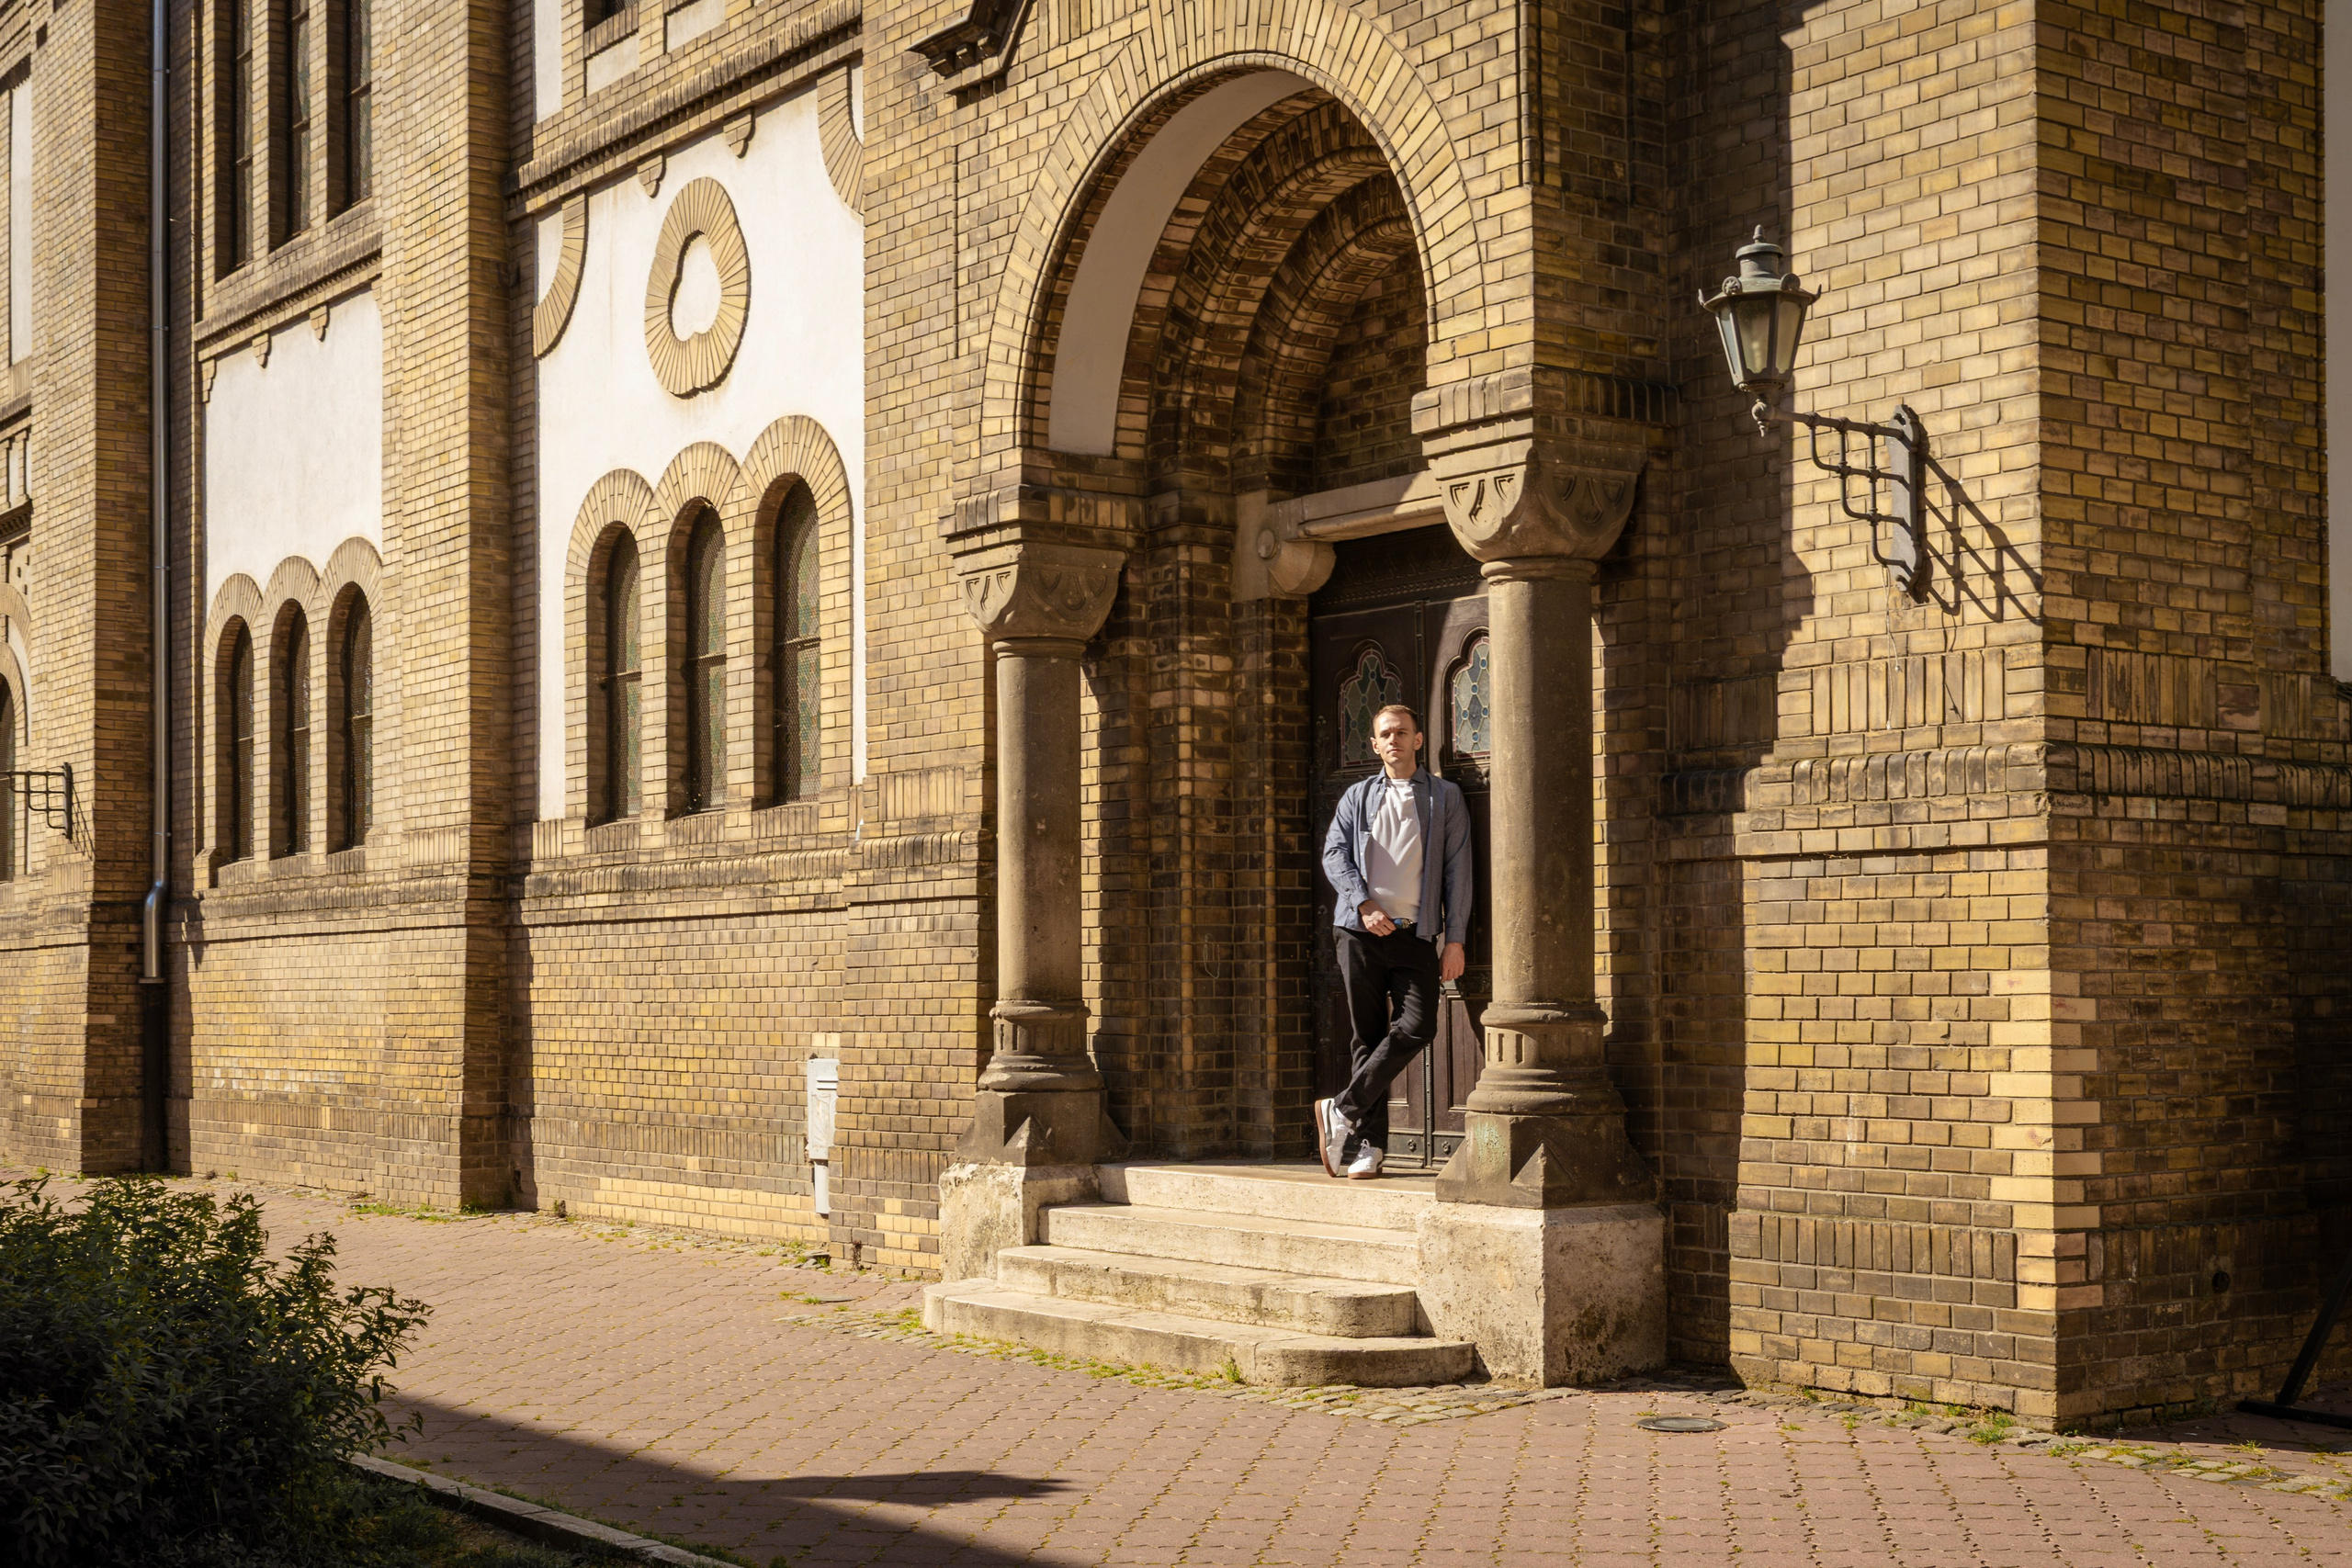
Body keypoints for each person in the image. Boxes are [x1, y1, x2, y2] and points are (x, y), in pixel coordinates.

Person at [1316, 703, 1472, 1179]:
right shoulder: (1357, 796)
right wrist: (1363, 903)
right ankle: (1368, 1146)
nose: (1395, 740)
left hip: (1414, 934)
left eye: (1403, 732)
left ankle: (1341, 1109)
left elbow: (1457, 871)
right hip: (1359, 932)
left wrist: (1455, 938)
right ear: (1376, 744)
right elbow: (1334, 854)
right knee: (1367, 1038)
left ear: (1419, 740)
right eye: (1386, 734)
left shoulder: (1444, 797)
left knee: (1419, 1026)